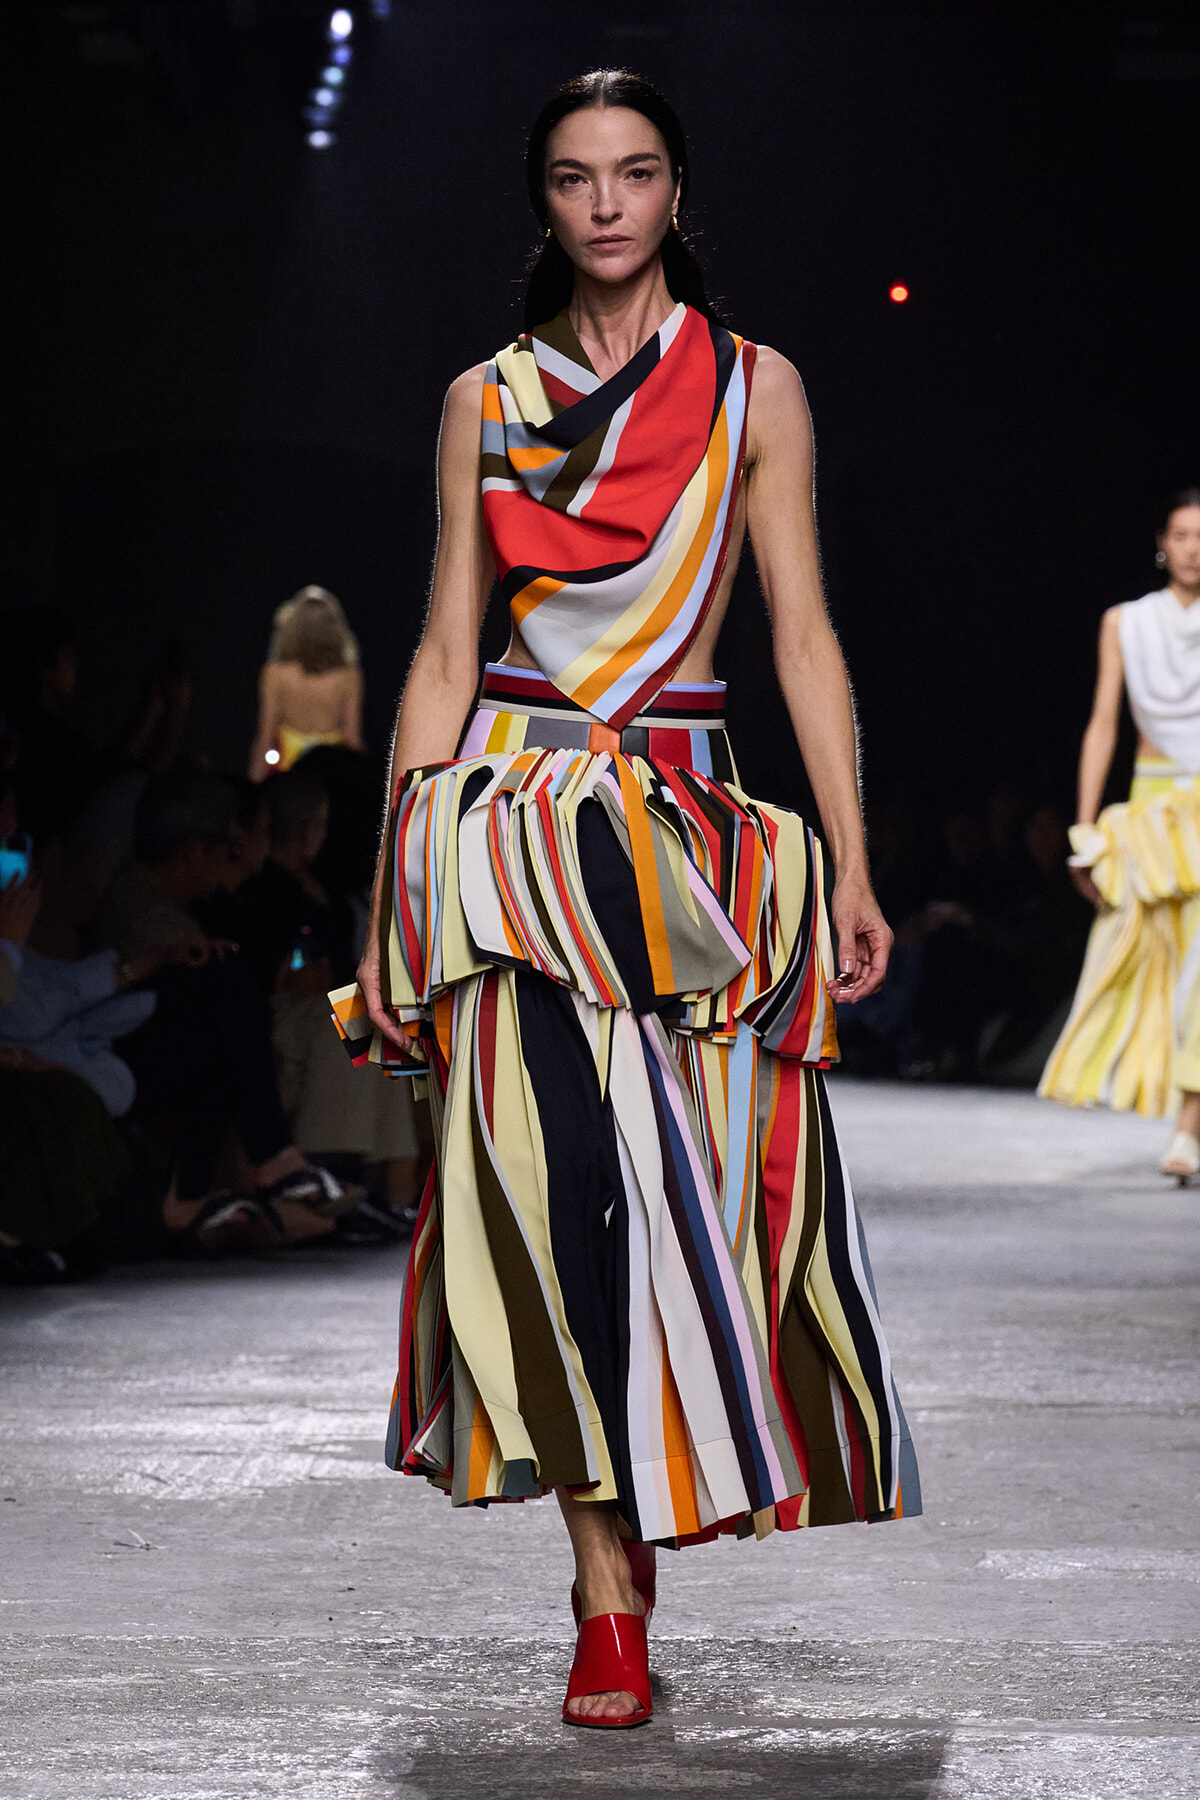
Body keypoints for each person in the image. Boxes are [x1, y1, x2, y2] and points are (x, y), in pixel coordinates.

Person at [334, 71, 920, 1729]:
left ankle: (647, 1532)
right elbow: (449, 649)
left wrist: (854, 855)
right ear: (547, 203)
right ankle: (603, 1602)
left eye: (638, 173)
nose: (607, 204)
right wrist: (399, 875)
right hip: (509, 830)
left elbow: (799, 631)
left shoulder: (754, 391)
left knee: (686, 1201)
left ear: (676, 195)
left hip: (682, 834)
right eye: (578, 178)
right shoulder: (483, 400)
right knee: (547, 1186)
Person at [1040, 488, 1200, 1176]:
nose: (1195, 547)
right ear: (1162, 543)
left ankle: (1188, 1125)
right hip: (1153, 812)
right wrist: (1084, 827)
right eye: (1184, 534)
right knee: (1144, 968)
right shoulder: (1126, 623)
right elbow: (1105, 722)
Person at [248, 587, 365, 778]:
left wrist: (253, 790)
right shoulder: (349, 676)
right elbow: (353, 739)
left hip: (289, 769)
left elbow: (265, 736)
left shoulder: (276, 673)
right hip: (333, 769)